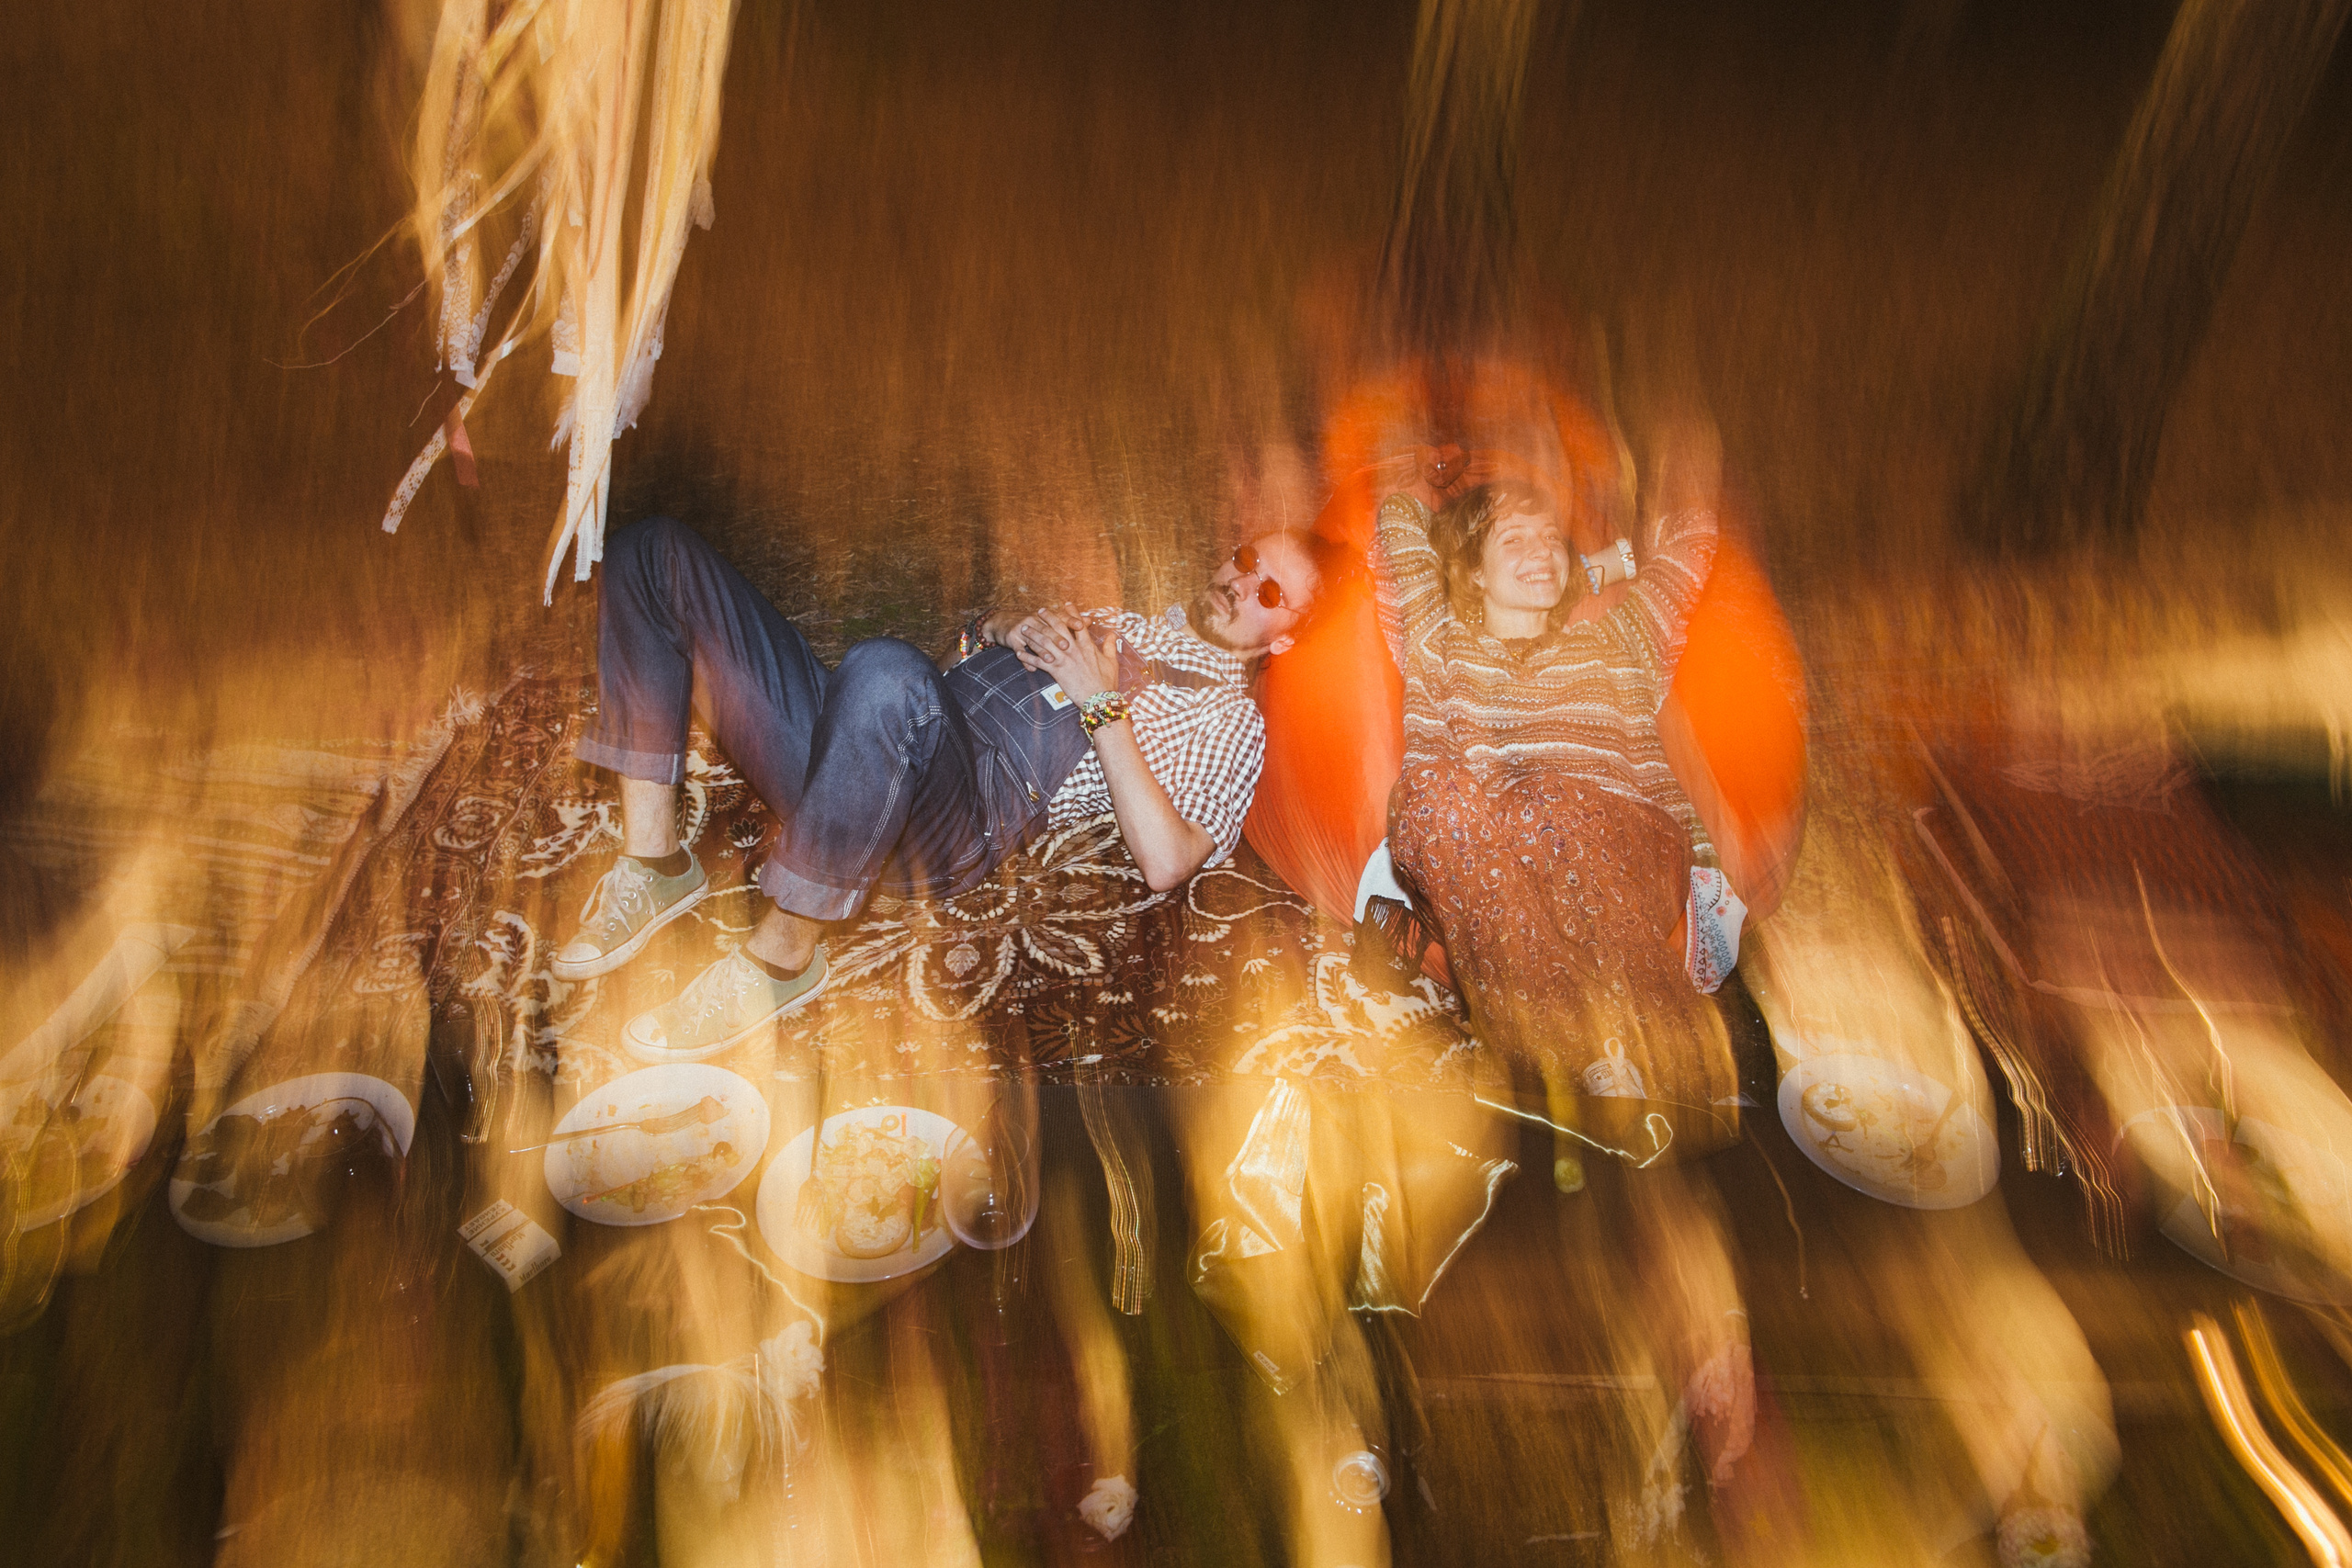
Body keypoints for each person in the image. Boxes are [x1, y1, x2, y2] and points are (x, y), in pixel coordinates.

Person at [553, 514, 1329, 1062]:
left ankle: (781, 961)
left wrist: (1102, 702)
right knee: (655, 552)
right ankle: (655, 863)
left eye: (1270, 594)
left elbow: (1168, 859)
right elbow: (943, 663)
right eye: (1245, 559)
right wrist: (999, 626)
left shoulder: (1231, 720)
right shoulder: (1117, 615)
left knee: (887, 674)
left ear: (1285, 636)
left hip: (951, 822)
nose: (1241, 582)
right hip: (867, 742)